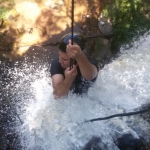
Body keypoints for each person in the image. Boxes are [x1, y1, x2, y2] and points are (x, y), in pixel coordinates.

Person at [50, 32, 98, 98]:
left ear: (76, 60)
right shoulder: (57, 64)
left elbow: (90, 76)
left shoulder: (90, 64)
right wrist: (68, 80)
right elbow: (57, 95)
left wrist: (80, 56)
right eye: (59, 56)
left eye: (65, 59)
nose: (60, 61)